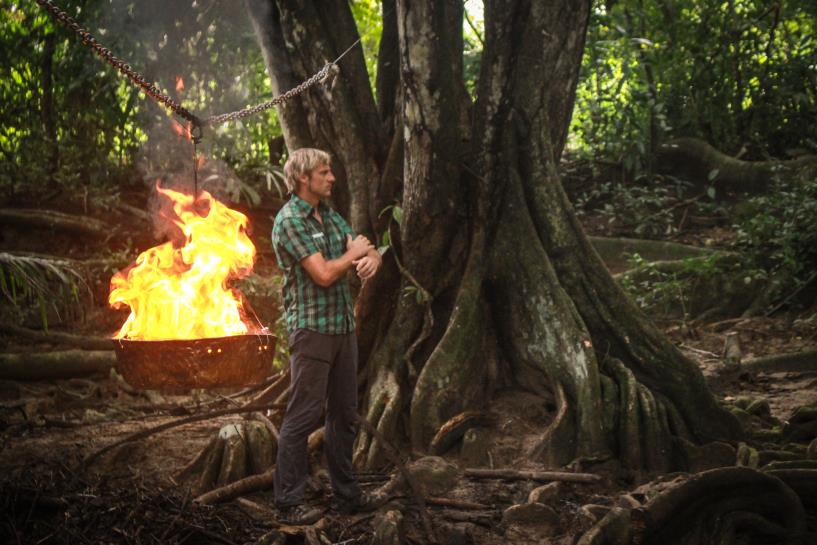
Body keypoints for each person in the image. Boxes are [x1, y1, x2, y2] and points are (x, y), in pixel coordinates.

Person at [271, 148, 381, 524]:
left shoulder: (330, 216)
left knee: (344, 415)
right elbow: (323, 274)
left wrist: (372, 258)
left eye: (331, 170)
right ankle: (289, 501)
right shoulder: (290, 221)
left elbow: (362, 247)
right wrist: (354, 255)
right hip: (312, 331)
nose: (332, 177)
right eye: (324, 171)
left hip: (342, 330)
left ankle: (347, 496)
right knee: (302, 416)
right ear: (304, 178)